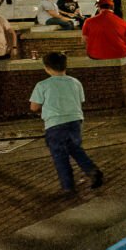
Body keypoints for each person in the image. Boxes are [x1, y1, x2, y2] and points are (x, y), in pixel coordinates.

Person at [30, 51, 105, 196]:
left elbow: (34, 107)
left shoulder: (43, 85)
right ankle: (92, 170)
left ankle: (68, 186)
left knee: (60, 155)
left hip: (55, 123)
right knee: (75, 149)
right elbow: (80, 100)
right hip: (75, 121)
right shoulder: (75, 82)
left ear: (47, 67)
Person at [82, 0, 126, 85]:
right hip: (119, 53)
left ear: (99, 8)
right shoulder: (122, 22)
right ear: (112, 8)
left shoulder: (88, 21)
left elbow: (84, 41)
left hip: (95, 54)